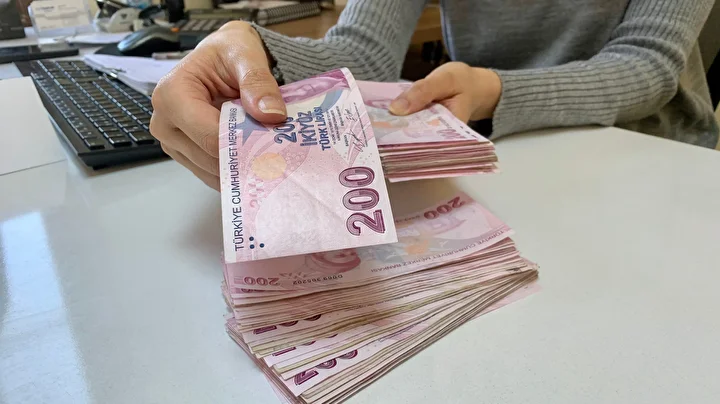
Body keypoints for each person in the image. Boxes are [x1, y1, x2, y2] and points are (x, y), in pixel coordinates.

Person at [150, 0, 717, 190]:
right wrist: (255, 48)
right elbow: (364, 51)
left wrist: (496, 90)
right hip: (494, 152)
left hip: (656, 161)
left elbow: (646, 65)